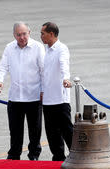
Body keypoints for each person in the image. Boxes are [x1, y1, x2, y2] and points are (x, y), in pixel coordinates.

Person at [0, 22, 45, 160]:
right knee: (15, 130)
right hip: (15, 97)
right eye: (19, 34)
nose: (22, 37)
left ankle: (34, 155)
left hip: (34, 96)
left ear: (29, 32)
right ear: (14, 35)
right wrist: (0, 81)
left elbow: (43, 71)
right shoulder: (9, 48)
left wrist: (43, 90)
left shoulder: (38, 47)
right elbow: (2, 67)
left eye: (24, 34)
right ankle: (14, 155)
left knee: (34, 130)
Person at [40, 22, 73, 161]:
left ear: (51, 34)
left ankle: (75, 155)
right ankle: (58, 157)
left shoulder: (61, 49)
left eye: (43, 33)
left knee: (67, 130)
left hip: (60, 98)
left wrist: (66, 78)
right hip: (48, 98)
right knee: (52, 132)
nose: (41, 36)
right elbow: (43, 73)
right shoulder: (45, 50)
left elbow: (64, 64)